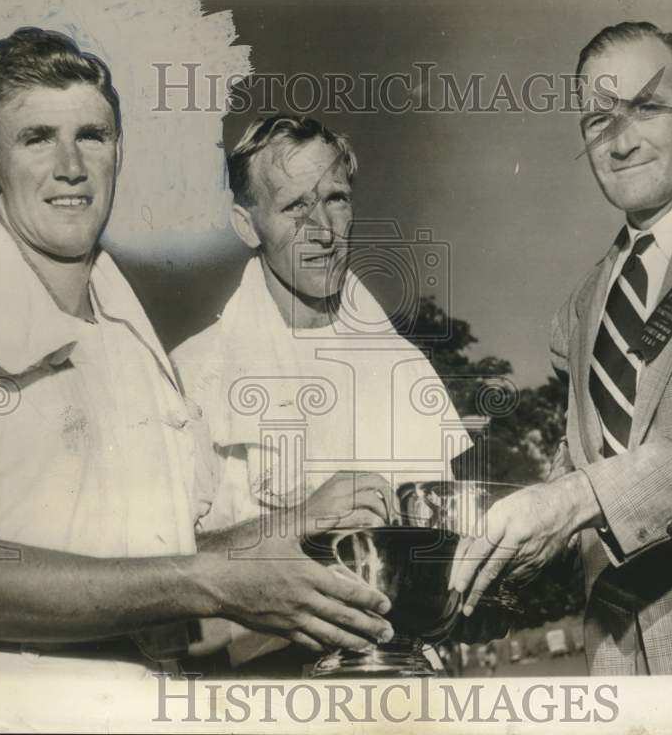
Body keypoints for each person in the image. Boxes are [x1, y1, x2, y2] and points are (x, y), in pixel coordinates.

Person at [0, 28, 394, 678]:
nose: (71, 166)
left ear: (118, 149)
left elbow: (165, 556)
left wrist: (297, 522)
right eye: (36, 138)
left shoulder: (128, 335)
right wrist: (211, 583)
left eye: (92, 135)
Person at [453, 22, 672, 674]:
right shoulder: (579, 309)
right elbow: (580, 464)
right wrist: (515, 535)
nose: (621, 140)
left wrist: (571, 501)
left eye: (647, 107)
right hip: (615, 661)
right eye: (598, 119)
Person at [172, 114, 471, 675]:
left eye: (335, 198)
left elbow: (451, 553)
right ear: (246, 222)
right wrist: (302, 519)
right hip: (258, 691)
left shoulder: (406, 369)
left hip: (402, 679)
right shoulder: (193, 377)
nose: (323, 230)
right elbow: (166, 571)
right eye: (293, 207)